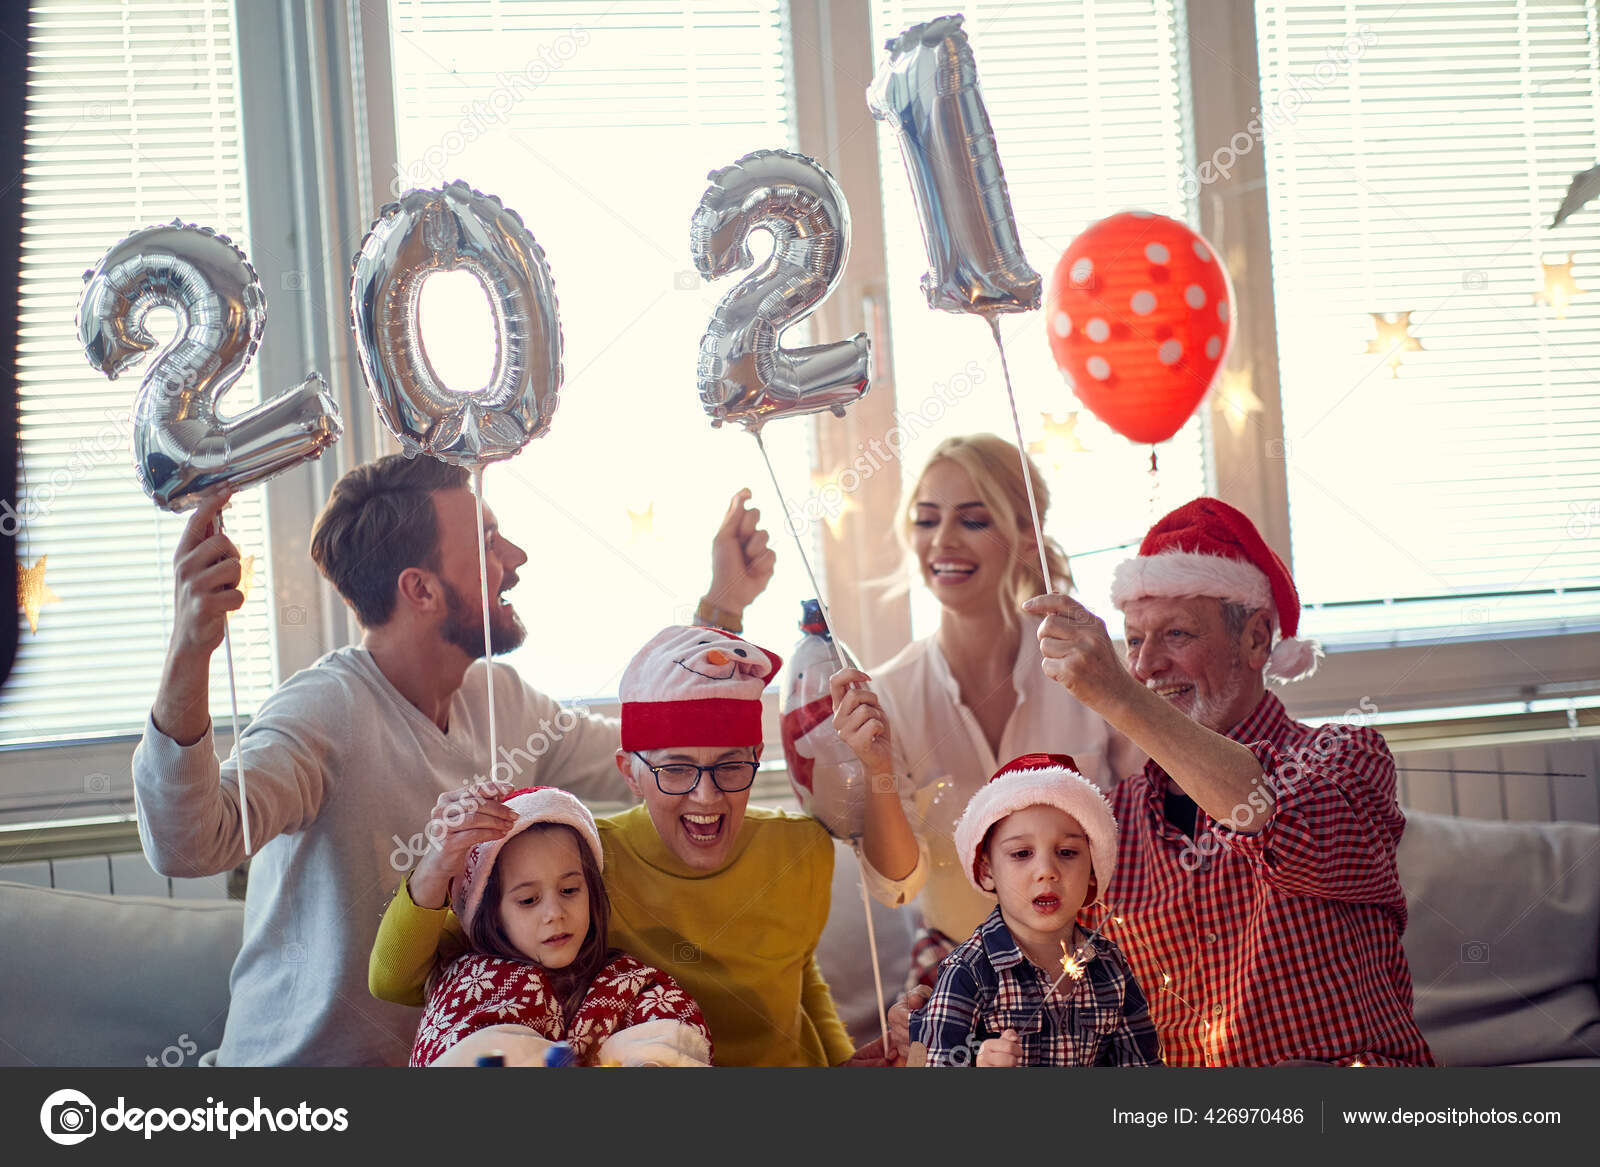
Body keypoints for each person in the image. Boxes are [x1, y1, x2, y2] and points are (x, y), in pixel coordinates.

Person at [132, 454, 773, 1065]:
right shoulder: (323, 712)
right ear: (422, 590)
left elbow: (648, 759)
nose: (515, 559)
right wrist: (190, 646)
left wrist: (722, 610)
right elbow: (188, 846)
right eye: (488, 544)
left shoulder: (499, 698)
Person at [1023, 496, 1435, 1066]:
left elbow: (1262, 806)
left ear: (1257, 639)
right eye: (1134, 641)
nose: (1145, 667)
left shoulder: (1344, 756)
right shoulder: (1106, 826)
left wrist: (1115, 693)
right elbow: (1054, 988)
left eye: (1176, 636)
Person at [370, 624, 856, 1067]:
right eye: (676, 770)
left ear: (756, 759)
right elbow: (394, 980)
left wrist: (845, 1064)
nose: (705, 796)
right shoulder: (573, 863)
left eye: (730, 766)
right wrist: (437, 864)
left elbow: (801, 976)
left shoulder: (801, 846)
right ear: (631, 773)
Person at [831, 434, 1144, 989]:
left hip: (1092, 969)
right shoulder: (890, 694)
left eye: (973, 521)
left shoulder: (1093, 670)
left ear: (1027, 533)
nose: (943, 541)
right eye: (927, 521)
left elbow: (1156, 833)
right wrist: (877, 768)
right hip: (953, 978)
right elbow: (899, 884)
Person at [371, 784, 712, 1067]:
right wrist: (437, 864)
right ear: (489, 914)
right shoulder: (467, 983)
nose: (555, 913)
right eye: (528, 900)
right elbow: (390, 979)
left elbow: (672, 1040)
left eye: (569, 890)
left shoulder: (630, 984)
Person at [909, 753, 1160, 1067]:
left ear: (1093, 868)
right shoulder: (968, 973)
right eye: (1021, 853)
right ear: (987, 871)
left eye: (1067, 852)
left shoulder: (1110, 968)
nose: (1046, 870)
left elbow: (1140, 1064)